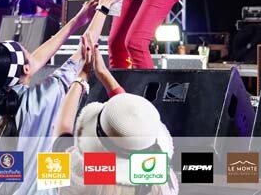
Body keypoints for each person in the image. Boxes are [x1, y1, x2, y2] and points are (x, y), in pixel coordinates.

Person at [0, 0, 127, 195]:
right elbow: (83, 53)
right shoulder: (42, 99)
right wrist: (104, 7)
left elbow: (33, 62)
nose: (34, 56)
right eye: (28, 53)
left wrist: (77, 20)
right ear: (26, 68)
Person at [52, 35, 179, 195]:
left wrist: (82, 77)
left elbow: (60, 134)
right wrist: (104, 74)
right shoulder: (163, 183)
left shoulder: (77, 172)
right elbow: (131, 126)